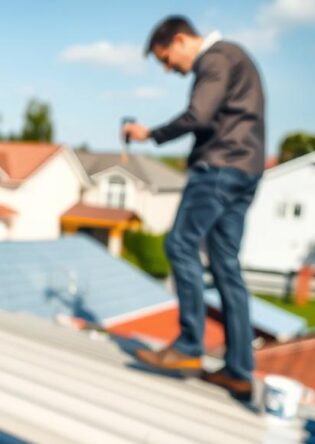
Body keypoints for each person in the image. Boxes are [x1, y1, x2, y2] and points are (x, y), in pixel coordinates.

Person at [124, 16, 265, 400]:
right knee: (225, 266)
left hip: (218, 168)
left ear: (182, 40)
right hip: (246, 171)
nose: (170, 70)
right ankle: (238, 370)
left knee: (180, 245)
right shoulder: (237, 57)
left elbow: (198, 116)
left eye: (167, 59)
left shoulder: (216, 58)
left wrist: (148, 134)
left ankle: (188, 347)